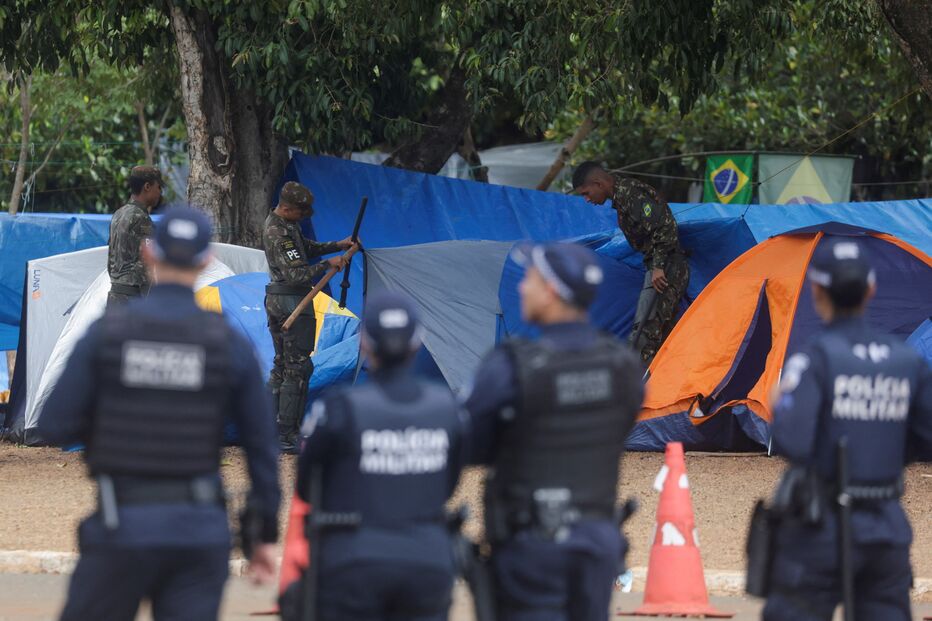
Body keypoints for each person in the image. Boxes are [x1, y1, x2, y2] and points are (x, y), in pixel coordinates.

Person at [38, 207, 281, 621]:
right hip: (198, 532)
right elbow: (262, 447)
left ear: (149, 254)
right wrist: (263, 535)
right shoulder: (227, 344)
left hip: (121, 526)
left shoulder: (109, 333)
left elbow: (54, 422)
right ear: (206, 260)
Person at [464, 242, 643, 621]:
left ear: (551, 291)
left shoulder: (510, 366)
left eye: (529, 278)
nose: (521, 287)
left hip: (531, 547)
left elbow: (471, 446)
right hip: (597, 541)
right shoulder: (623, 365)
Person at [764, 238, 932, 620]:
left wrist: (779, 405)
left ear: (816, 291)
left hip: (821, 524)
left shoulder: (813, 360)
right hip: (886, 524)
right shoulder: (907, 360)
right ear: (871, 290)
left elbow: (792, 439)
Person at [291, 291, 467, 621]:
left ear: (365, 343)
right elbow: (450, 481)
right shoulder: (448, 408)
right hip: (427, 560)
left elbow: (306, 483)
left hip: (355, 561)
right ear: (418, 343)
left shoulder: (338, 409)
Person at [263, 181, 356, 453]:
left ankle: (268, 429)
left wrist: (337, 245)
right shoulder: (278, 232)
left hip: (281, 299)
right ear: (287, 208)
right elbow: (296, 274)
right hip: (291, 301)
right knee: (297, 369)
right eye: (301, 213)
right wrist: (329, 264)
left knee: (282, 365)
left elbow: (306, 248)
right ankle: (286, 435)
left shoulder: (286, 225)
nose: (304, 217)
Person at [572, 161, 689, 365]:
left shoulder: (631, 194)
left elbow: (665, 226)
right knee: (660, 333)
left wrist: (659, 266)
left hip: (666, 267)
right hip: (660, 265)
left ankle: (636, 389)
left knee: (643, 334)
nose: (587, 199)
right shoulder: (623, 198)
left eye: (586, 192)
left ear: (598, 183)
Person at [108, 165, 163, 306]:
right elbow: (148, 264)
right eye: (158, 187)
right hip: (133, 298)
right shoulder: (141, 217)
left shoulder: (118, 214)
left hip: (114, 295)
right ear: (147, 187)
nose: (160, 192)